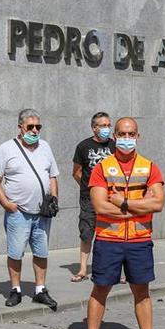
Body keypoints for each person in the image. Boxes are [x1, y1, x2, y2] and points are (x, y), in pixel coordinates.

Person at [80, 117, 165, 329]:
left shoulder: (150, 167)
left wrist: (124, 202)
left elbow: (159, 203)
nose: (126, 139)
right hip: (109, 239)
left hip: (139, 240)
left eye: (130, 134)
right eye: (121, 134)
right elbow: (100, 206)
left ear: (138, 137)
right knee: (100, 289)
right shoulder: (102, 168)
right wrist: (141, 207)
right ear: (114, 137)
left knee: (142, 291)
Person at [0, 108, 59, 310]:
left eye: (38, 126)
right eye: (30, 127)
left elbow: (53, 175)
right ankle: (15, 290)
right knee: (16, 252)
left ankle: (40, 290)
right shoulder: (6, 148)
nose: (35, 130)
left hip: (42, 213)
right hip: (18, 212)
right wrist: (5, 203)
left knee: (41, 252)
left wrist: (54, 198)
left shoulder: (45, 147)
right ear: (20, 127)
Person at [70, 112, 115, 282]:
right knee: (87, 232)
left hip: (111, 198)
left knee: (111, 233)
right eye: (103, 125)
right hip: (89, 199)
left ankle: (113, 269)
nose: (107, 129)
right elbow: (76, 172)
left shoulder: (115, 145)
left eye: (108, 125)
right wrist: (91, 188)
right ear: (94, 128)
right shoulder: (83, 146)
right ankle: (83, 270)